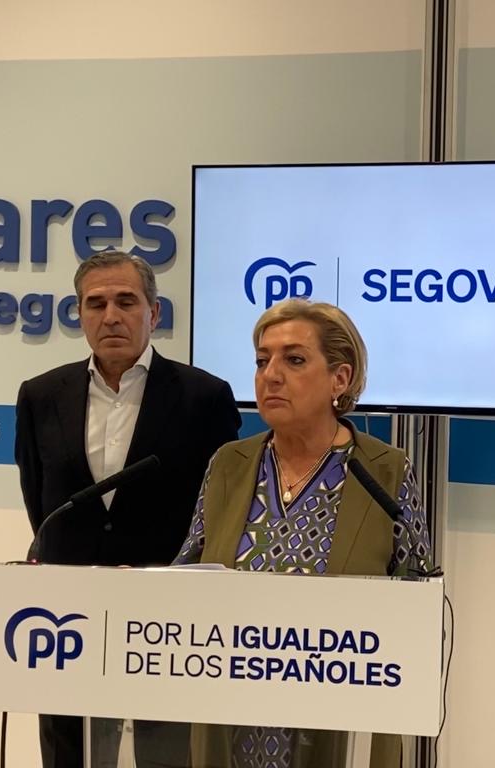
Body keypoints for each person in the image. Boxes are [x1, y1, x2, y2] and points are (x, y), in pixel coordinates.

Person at [174, 298, 431, 768]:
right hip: (233, 720)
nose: (270, 375)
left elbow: (418, 603)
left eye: (293, 360)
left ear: (340, 379)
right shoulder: (229, 464)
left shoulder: (385, 470)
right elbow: (187, 571)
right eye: (262, 361)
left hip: (341, 728)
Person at [15, 250, 242, 768]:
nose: (111, 316)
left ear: (153, 313)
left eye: (126, 301)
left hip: (166, 616)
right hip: (67, 614)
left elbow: (220, 508)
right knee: (67, 748)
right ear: (78, 314)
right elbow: (40, 500)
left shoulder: (204, 396)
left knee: (166, 752)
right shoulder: (41, 395)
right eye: (96, 304)